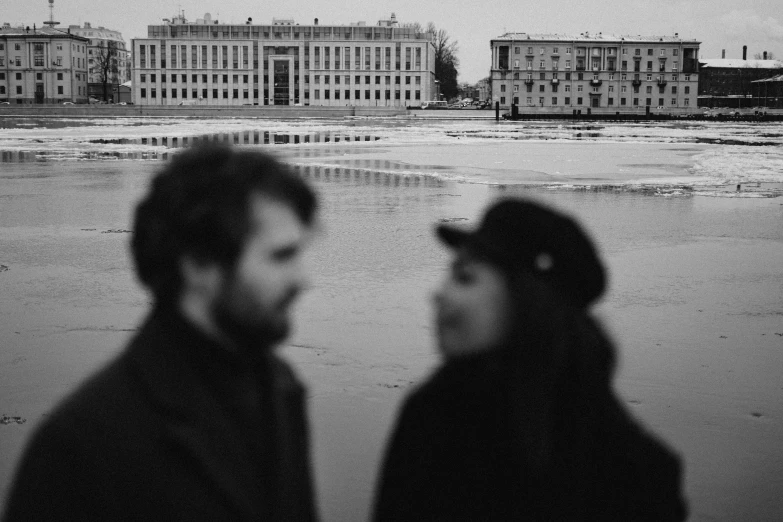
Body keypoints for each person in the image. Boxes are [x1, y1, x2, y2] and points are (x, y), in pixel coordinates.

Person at [3, 144, 319, 521]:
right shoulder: (81, 447)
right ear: (200, 264)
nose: (303, 280)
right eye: (281, 256)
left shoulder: (281, 389)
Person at [373, 198, 687, 521]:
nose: (438, 294)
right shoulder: (430, 417)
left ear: (526, 303)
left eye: (464, 277)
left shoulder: (633, 475)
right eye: (450, 275)